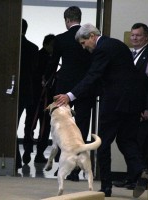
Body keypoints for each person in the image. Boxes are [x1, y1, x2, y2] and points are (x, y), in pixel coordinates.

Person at [54, 23, 148, 198]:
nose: (84, 47)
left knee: (103, 144)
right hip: (132, 103)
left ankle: (106, 187)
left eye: (84, 43)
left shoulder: (102, 49)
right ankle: (140, 169)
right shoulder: (118, 44)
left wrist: (70, 95)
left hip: (114, 103)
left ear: (91, 36)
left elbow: (93, 75)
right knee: (127, 139)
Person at [44, 6, 97, 181]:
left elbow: (52, 64)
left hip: (64, 87)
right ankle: (77, 169)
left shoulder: (60, 39)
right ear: (79, 18)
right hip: (86, 87)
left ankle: (64, 166)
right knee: (81, 127)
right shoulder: (89, 38)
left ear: (67, 20)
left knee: (63, 125)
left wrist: (46, 80)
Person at [113, 23, 148, 189]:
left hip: (144, 109)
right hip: (129, 109)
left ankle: (141, 181)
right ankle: (130, 178)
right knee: (130, 143)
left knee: (143, 144)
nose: (134, 38)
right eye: (133, 35)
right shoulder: (128, 54)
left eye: (138, 35)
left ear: (146, 37)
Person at [23, 34, 55, 164]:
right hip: (35, 97)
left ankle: (39, 153)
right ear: (46, 44)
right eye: (52, 45)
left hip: (47, 99)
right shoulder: (37, 55)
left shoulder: (53, 58)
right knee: (30, 124)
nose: (54, 48)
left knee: (45, 126)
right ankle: (27, 151)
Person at [17, 19, 38, 168]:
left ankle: (16, 158)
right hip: (29, 90)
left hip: (14, 91)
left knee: (13, 124)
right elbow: (35, 71)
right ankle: (28, 150)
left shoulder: (12, 46)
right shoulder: (33, 48)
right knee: (29, 124)